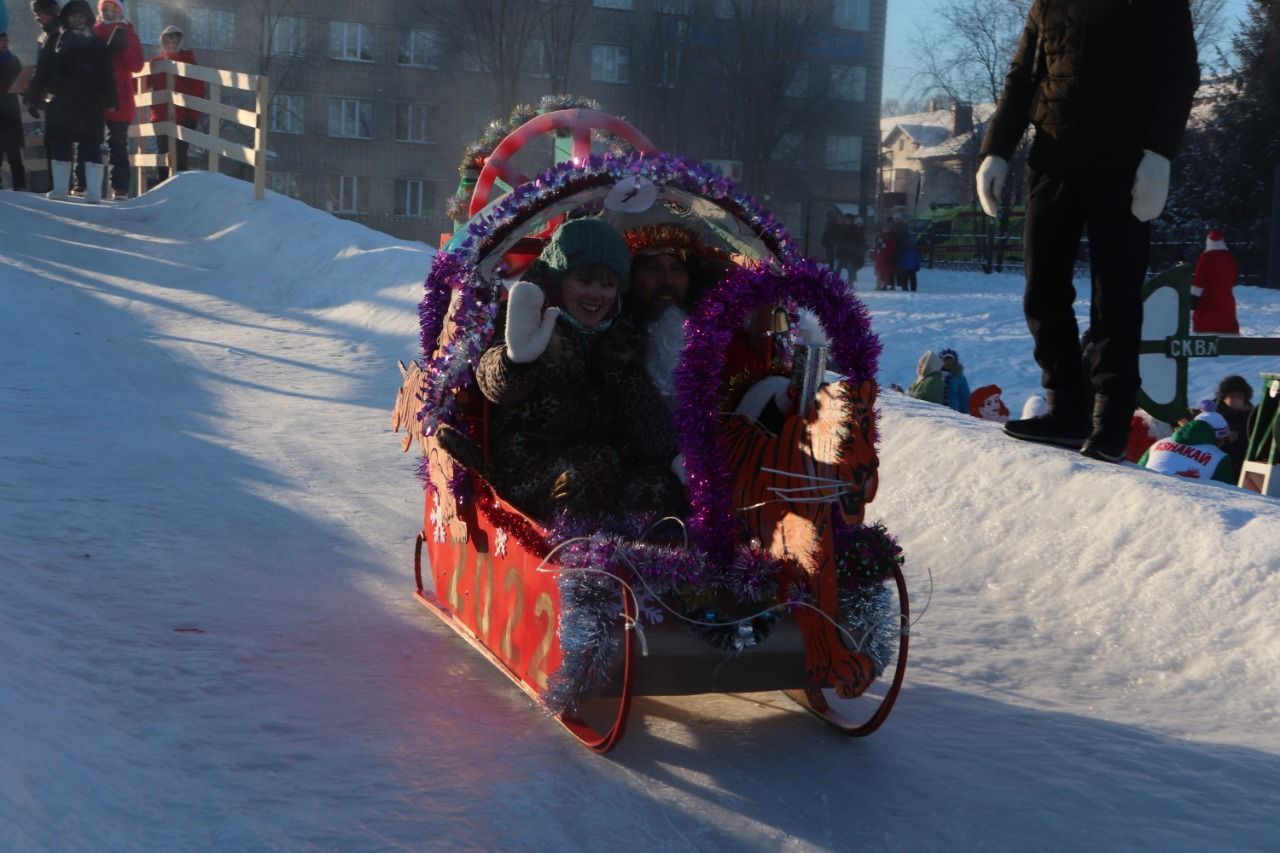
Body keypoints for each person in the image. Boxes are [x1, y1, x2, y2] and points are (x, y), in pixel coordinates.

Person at [979, 0, 1199, 463]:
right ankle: (1065, 407)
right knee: (1041, 288)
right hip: (1053, 158)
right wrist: (995, 149)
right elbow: (1023, 76)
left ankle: (1111, 422)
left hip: (1123, 165)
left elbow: (1178, 74)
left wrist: (1159, 155)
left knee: (1115, 296)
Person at [447, 218, 683, 522]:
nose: (596, 295)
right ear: (558, 281)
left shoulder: (620, 337)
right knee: (594, 466)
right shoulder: (527, 320)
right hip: (528, 467)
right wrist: (514, 360)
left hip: (602, 466)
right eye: (584, 281)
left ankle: (635, 556)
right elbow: (494, 385)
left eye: (607, 284)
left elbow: (642, 411)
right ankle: (573, 550)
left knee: (656, 484)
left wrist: (676, 457)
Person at [26, 0, 116, 203]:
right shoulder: (57, 40)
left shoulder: (98, 43)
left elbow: (107, 74)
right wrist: (33, 97)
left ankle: (93, 192)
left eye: (80, 16)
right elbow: (44, 70)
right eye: (72, 16)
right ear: (66, 18)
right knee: (60, 143)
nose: (76, 19)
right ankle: (59, 189)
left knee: (91, 145)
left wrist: (111, 99)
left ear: (88, 18)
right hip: (62, 101)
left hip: (90, 101)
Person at [81, 0, 141, 200]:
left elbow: (137, 65)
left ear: (120, 11)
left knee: (117, 142)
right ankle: (86, 185)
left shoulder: (128, 33)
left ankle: (120, 188)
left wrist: (122, 47)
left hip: (120, 95)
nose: (109, 13)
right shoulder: (93, 31)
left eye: (113, 9)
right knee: (90, 141)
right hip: (95, 94)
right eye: (105, 9)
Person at [146, 24, 204, 182]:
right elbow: (142, 85)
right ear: (163, 43)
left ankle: (179, 190)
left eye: (175, 41)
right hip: (161, 116)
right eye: (168, 41)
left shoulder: (189, 63)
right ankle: (163, 187)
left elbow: (198, 90)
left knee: (180, 155)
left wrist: (193, 116)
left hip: (185, 117)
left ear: (180, 42)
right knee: (164, 153)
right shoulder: (156, 63)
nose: (172, 44)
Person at [1139, 410, 1235, 484]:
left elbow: (1136, 471)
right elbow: (1228, 493)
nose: (1223, 444)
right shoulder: (1219, 457)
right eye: (1223, 439)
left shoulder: (1160, 443)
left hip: (1145, 492)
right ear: (1217, 438)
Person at [1191, 228, 1240, 334]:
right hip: (1226, 301)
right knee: (1226, 324)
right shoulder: (1229, 258)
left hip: (1208, 301)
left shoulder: (1206, 258)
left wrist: (1194, 297)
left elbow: (1199, 279)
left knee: (1206, 325)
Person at [1214, 374, 1254, 477]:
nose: (1235, 400)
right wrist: (1225, 438)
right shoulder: (1213, 412)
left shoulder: (1251, 412)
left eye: (1239, 396)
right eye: (1231, 396)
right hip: (1217, 461)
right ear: (1224, 396)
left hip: (1243, 460)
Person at [0, 31, 26, 191]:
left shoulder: (14, 60)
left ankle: (20, 185)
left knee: (14, 152)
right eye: (1, 40)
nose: (4, 43)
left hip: (11, 110)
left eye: (5, 40)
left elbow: (22, 84)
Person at [833, 213, 865, 284]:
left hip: (851, 253)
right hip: (841, 252)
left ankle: (850, 283)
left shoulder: (855, 229)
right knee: (838, 268)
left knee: (851, 268)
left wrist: (856, 248)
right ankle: (835, 282)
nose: (847, 221)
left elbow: (860, 240)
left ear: (852, 221)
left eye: (849, 220)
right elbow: (836, 238)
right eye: (846, 220)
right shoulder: (840, 228)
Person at [938, 348, 971, 414]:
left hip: (954, 412)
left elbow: (964, 396)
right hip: (937, 411)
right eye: (946, 360)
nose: (948, 362)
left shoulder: (959, 377)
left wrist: (966, 413)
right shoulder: (935, 375)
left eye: (950, 360)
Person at [873, 225, 897, 291]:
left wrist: (889, 255)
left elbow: (892, 248)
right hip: (879, 257)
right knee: (879, 272)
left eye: (887, 228)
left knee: (885, 273)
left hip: (886, 258)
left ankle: (884, 285)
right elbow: (876, 246)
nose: (885, 229)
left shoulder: (891, 237)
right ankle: (878, 285)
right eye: (884, 228)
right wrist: (875, 253)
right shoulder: (879, 236)